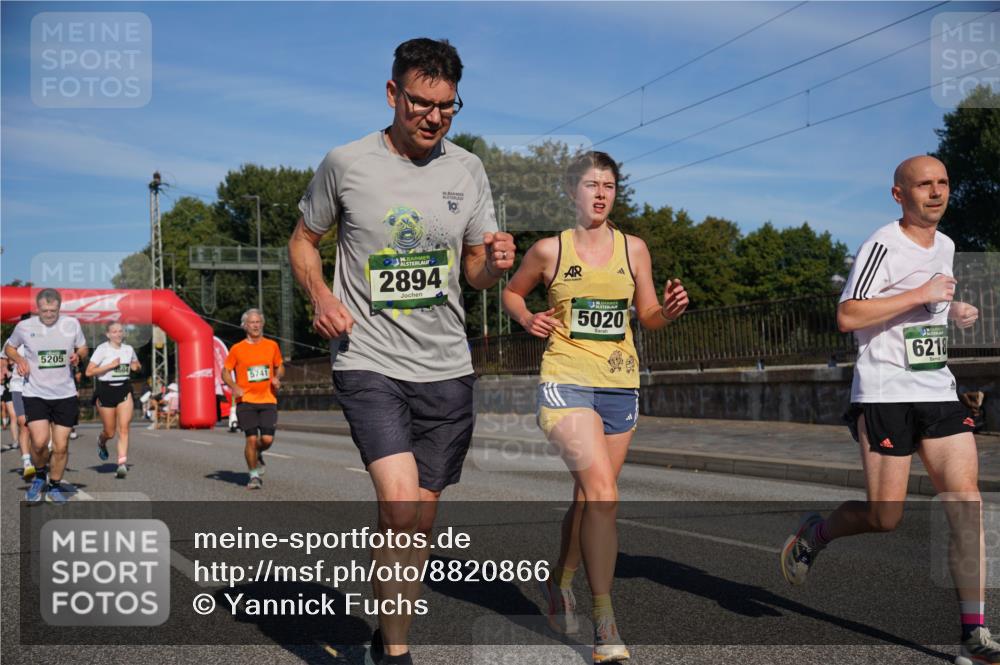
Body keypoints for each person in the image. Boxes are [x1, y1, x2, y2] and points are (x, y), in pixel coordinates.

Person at [288, 37, 514, 665]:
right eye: (420, 102)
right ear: (393, 94)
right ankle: (398, 657)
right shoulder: (346, 163)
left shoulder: (468, 170)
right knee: (399, 499)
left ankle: (387, 631)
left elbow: (472, 273)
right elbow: (303, 242)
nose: (433, 116)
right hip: (368, 358)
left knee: (415, 526)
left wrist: (495, 263)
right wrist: (319, 295)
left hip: (446, 367)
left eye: (447, 106)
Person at [779, 155, 996, 664]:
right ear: (900, 194)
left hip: (937, 390)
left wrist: (951, 310)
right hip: (884, 394)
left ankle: (974, 632)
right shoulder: (882, 244)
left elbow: (928, 307)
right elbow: (848, 314)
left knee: (966, 501)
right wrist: (920, 292)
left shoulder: (945, 244)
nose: (936, 192)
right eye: (924, 184)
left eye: (943, 183)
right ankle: (817, 534)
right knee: (884, 515)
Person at [501, 150, 688, 663]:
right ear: (572, 192)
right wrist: (527, 318)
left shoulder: (635, 249)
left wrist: (665, 313)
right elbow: (512, 294)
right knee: (602, 492)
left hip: (619, 385)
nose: (601, 192)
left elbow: (646, 313)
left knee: (589, 497)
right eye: (591, 184)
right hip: (566, 380)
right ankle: (605, 624)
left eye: (609, 184)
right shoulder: (549, 250)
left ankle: (559, 580)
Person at [4, 288, 88, 504]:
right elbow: (9, 348)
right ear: (37, 308)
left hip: (65, 393)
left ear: (59, 307)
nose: (49, 314)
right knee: (40, 443)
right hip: (35, 393)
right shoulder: (24, 327)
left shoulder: (71, 325)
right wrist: (20, 360)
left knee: (61, 446)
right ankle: (40, 474)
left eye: (53, 310)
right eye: (44, 310)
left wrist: (77, 355)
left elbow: (83, 347)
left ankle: (55, 485)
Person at [222, 309, 284, 490]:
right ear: (245, 326)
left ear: (262, 324)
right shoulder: (237, 349)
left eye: (258, 322)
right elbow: (225, 371)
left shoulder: (271, 345)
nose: (255, 325)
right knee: (250, 439)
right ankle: (254, 475)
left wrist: (277, 377)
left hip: (268, 399)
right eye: (252, 322)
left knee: (266, 440)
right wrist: (233, 386)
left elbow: (279, 366)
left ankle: (257, 453)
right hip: (246, 400)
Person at [86, 322, 141, 479]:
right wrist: (109, 366)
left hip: (124, 389)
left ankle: (121, 464)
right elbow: (89, 372)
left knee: (123, 429)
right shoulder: (102, 349)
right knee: (110, 432)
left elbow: (136, 364)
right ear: (108, 334)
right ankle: (101, 441)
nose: (118, 334)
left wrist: (135, 366)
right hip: (106, 390)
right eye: (114, 332)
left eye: (120, 331)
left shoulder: (128, 349)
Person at [3, 318, 33, 479]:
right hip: (18, 387)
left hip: (39, 388)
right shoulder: (11, 341)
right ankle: (27, 462)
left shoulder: (43, 337)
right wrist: (4, 371)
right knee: (23, 422)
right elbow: (2, 360)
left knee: (41, 425)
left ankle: (43, 450)